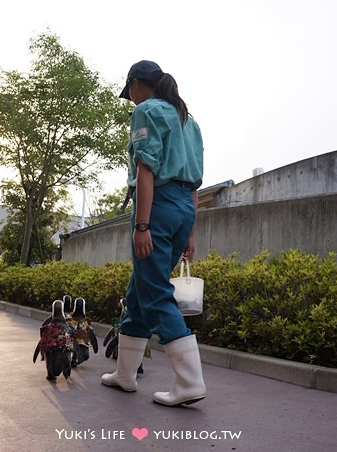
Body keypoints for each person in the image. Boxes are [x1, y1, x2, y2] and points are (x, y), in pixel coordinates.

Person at [101, 61, 206, 406]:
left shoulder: (146, 110)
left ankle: (189, 382)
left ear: (135, 85)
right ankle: (125, 374)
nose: (130, 100)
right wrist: (189, 233)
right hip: (183, 210)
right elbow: (193, 184)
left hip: (156, 207)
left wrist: (142, 225)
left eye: (129, 93)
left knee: (157, 292)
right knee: (139, 293)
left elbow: (146, 167)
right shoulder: (189, 121)